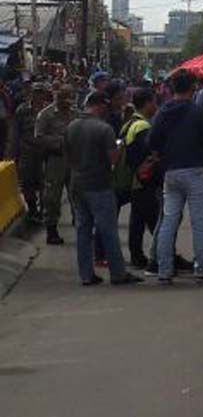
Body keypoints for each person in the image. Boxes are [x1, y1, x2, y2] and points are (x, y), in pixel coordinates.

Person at [148, 68, 203, 285]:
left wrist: (161, 156)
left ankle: (164, 270)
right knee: (199, 222)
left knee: (169, 221)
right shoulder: (198, 112)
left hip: (171, 172)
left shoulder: (163, 111)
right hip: (196, 170)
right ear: (193, 87)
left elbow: (151, 141)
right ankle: (201, 269)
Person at [64, 91, 141, 286]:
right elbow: (113, 159)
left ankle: (86, 275)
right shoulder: (103, 129)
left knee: (83, 230)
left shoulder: (71, 126)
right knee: (107, 230)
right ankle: (117, 273)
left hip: (77, 183)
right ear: (99, 106)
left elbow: (66, 154)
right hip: (99, 184)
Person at [35, 83, 77, 245]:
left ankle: (81, 224)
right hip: (55, 159)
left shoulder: (75, 113)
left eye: (68, 96)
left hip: (74, 159)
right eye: (62, 96)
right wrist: (60, 142)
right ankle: (51, 229)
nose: (66, 100)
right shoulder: (46, 115)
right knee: (52, 196)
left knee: (77, 194)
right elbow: (39, 137)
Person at [124, 88, 159, 268]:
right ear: (146, 104)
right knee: (155, 221)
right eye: (153, 102)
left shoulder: (132, 122)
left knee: (137, 221)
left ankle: (137, 256)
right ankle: (163, 256)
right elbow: (150, 152)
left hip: (135, 179)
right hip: (144, 180)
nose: (156, 105)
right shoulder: (142, 126)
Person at [7, 82, 48, 223]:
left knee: (46, 183)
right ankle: (32, 209)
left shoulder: (49, 110)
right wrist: (12, 153)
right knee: (27, 181)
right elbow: (15, 132)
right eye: (36, 92)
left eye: (41, 92)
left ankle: (45, 211)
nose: (39, 95)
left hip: (45, 152)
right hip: (27, 152)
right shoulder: (23, 110)